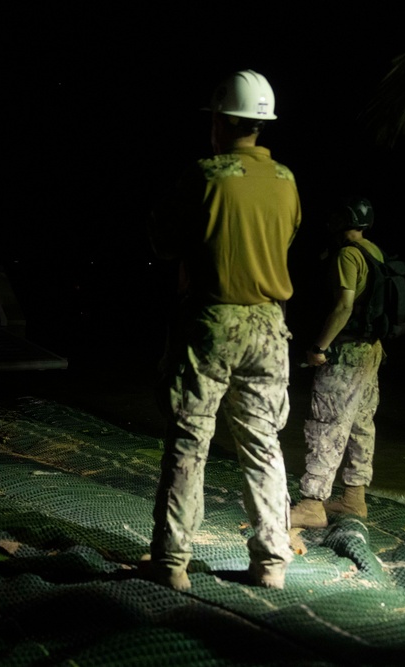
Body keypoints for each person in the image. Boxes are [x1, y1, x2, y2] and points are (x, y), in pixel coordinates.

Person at [145, 70, 300, 591]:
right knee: (263, 443)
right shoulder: (285, 179)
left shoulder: (205, 175)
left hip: (213, 320)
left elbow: (163, 242)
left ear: (222, 120)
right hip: (269, 325)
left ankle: (172, 564)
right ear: (260, 124)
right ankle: (272, 563)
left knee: (190, 441)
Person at [290, 197, 385, 528]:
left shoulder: (347, 255)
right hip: (372, 350)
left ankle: (313, 504)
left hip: (346, 352)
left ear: (343, 220)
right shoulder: (374, 252)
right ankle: (354, 498)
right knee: (360, 424)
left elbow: (344, 307)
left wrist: (320, 346)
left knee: (327, 422)